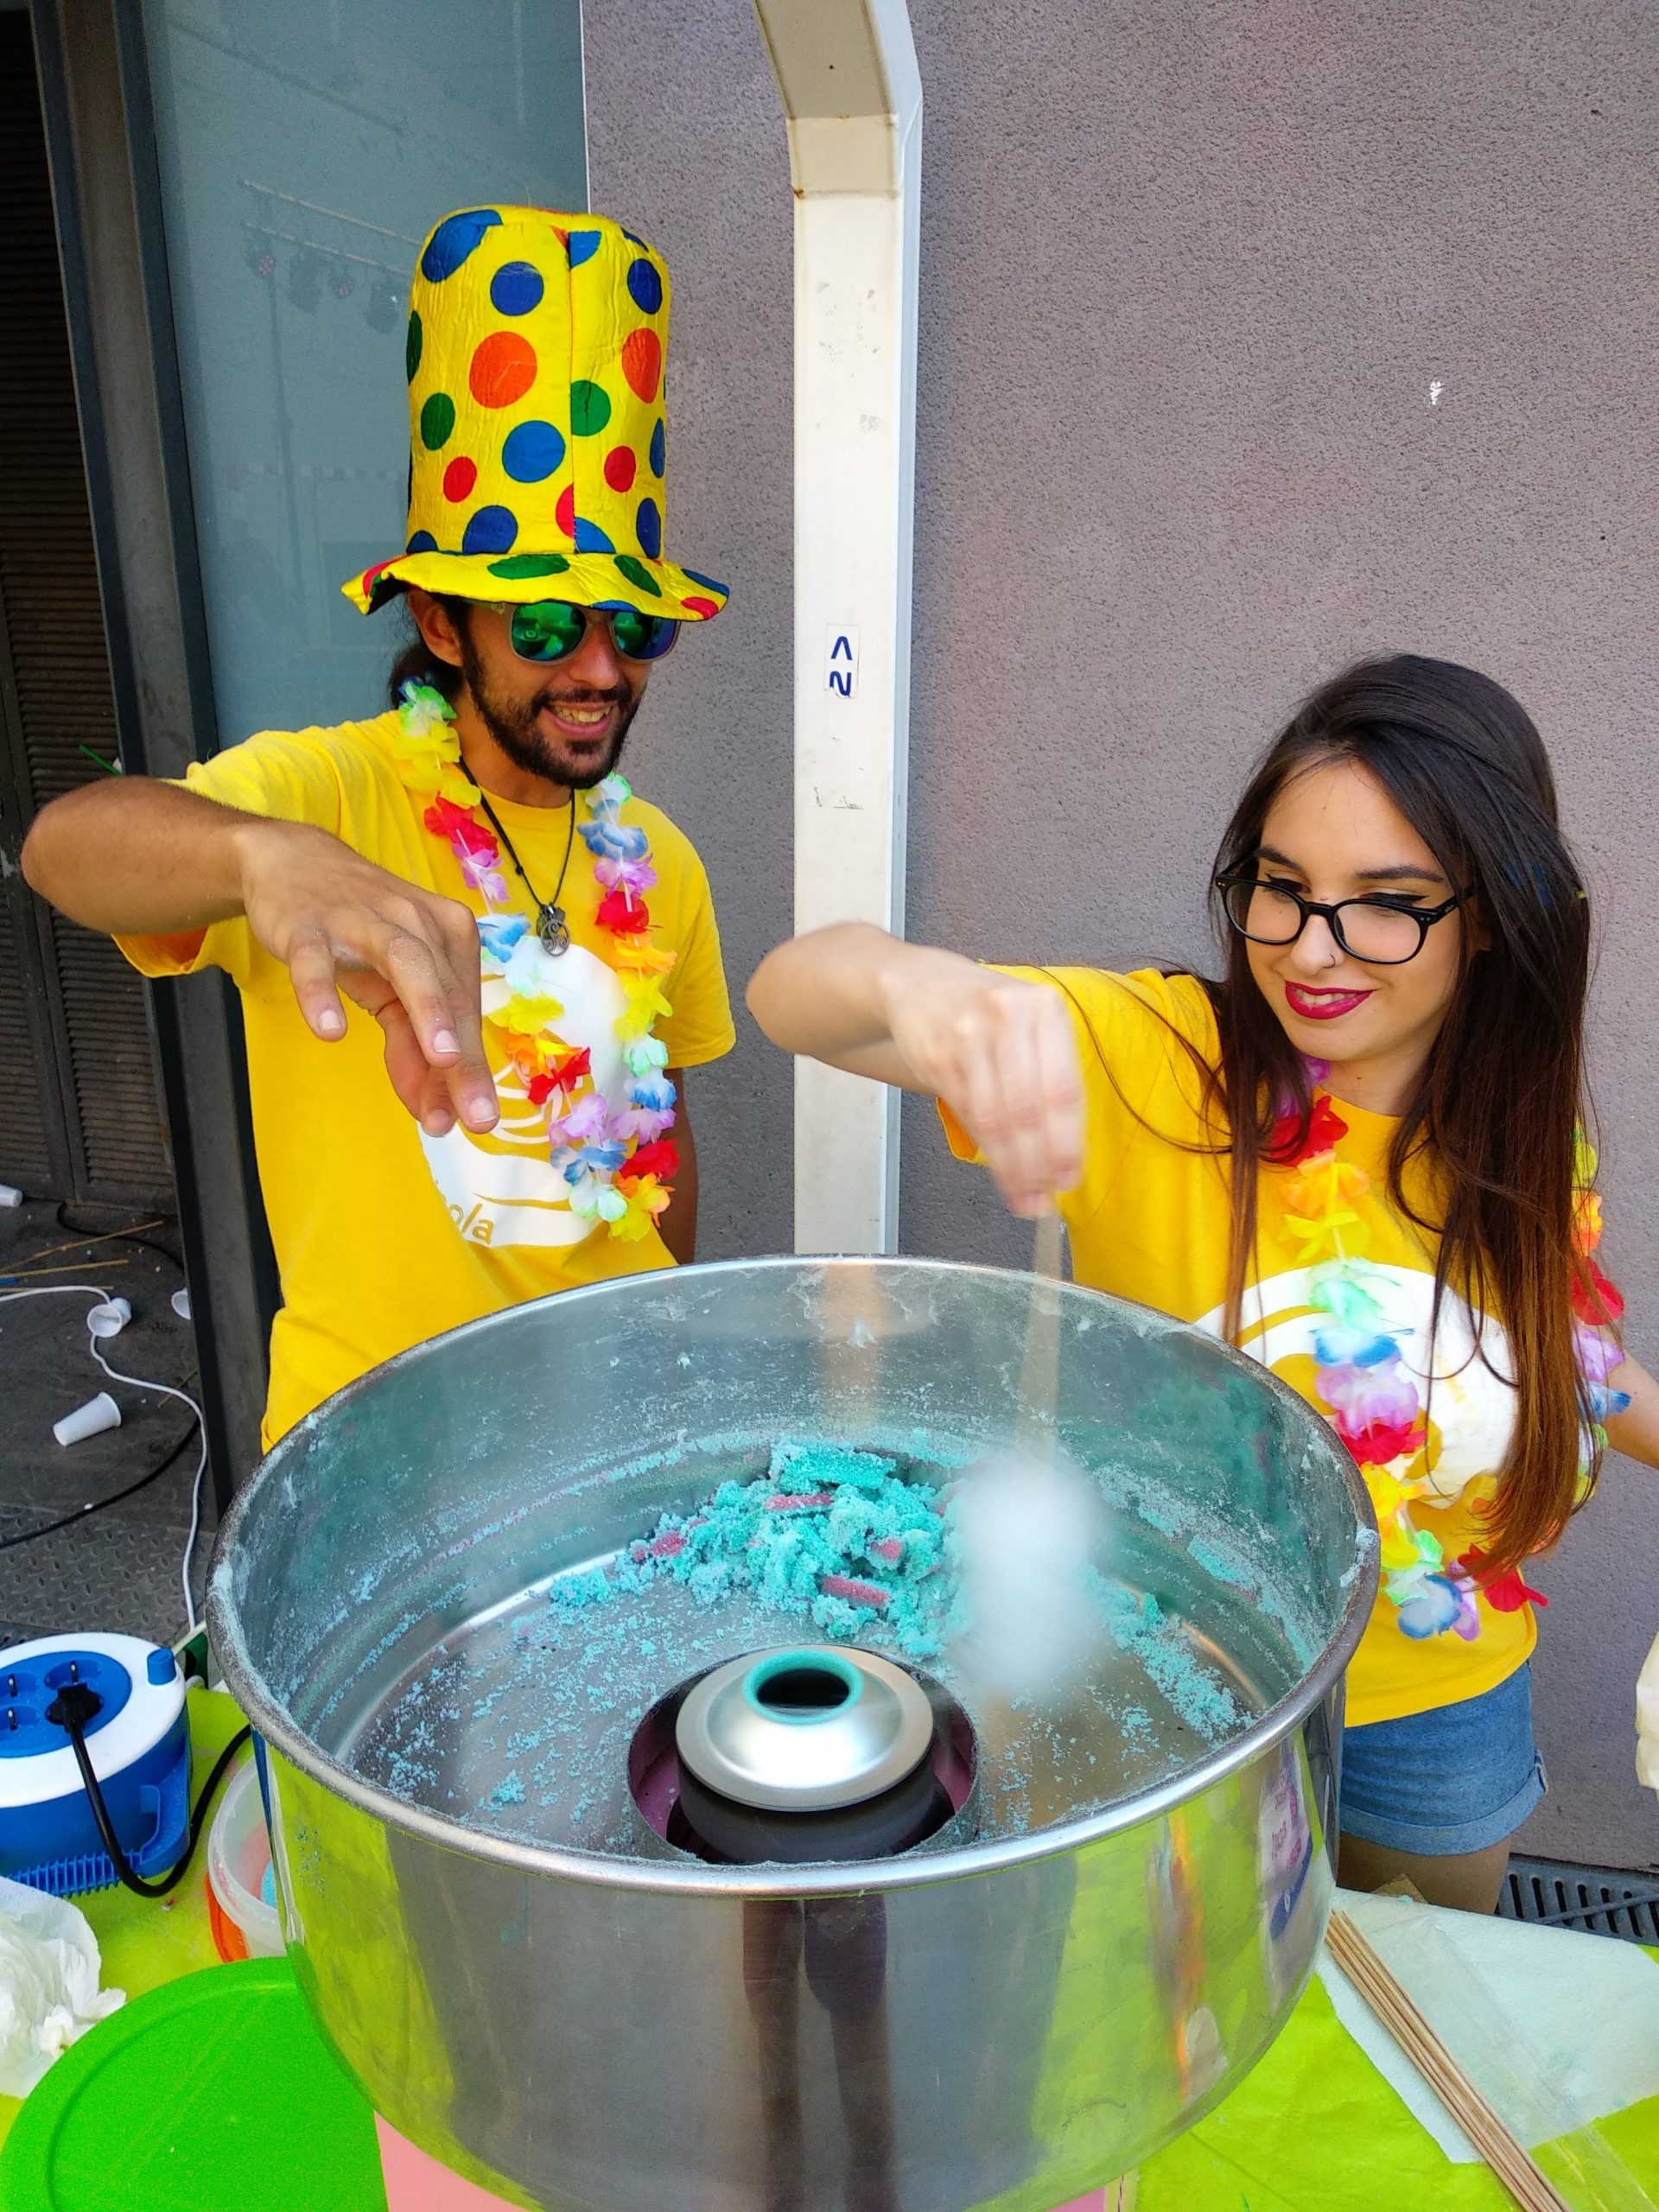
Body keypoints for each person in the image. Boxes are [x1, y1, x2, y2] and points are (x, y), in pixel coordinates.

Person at [748, 654, 1659, 1912]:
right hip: (1182, 1669)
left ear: (1493, 912)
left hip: (1442, 1698)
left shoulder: (1514, 1133)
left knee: (1427, 1992)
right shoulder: (1159, 1064)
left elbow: (1561, 1355)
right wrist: (924, 987)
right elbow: (797, 995)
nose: (1312, 949)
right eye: (1281, 889)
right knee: (1180, 1987)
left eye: (1386, 903)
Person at [22, 207, 735, 1447]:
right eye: (548, 625)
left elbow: (659, 1133)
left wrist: (667, 1346)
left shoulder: (661, 859)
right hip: (377, 1436)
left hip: (601, 1431)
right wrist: (261, 858)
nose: (600, 670)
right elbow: (63, 848)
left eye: (636, 627)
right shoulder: (325, 798)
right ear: (445, 627)